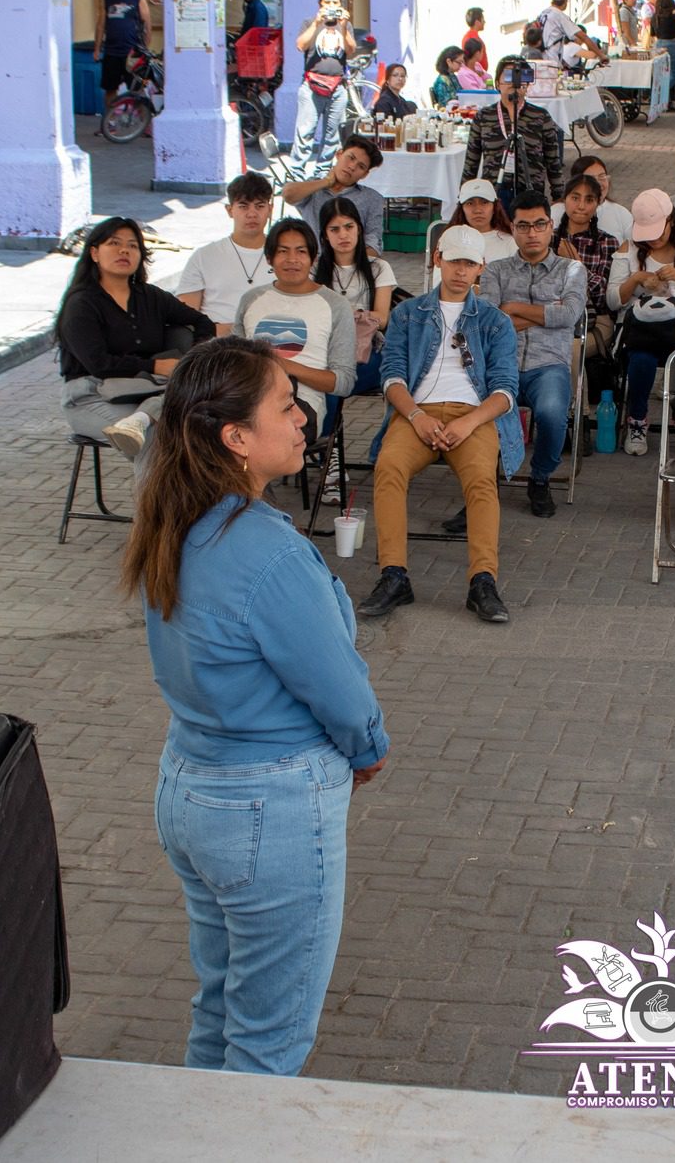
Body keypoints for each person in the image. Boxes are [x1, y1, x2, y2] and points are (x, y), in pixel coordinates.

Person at [124, 336, 387, 1077]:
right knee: (267, 1044)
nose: (303, 417)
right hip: (265, 809)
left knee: (220, 1009)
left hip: (191, 789)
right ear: (236, 437)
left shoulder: (175, 518)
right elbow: (336, 684)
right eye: (284, 406)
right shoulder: (264, 548)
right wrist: (368, 747)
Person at [357, 226, 522, 624]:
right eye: (454, 261)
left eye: (469, 263)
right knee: (389, 468)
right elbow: (392, 376)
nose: (461, 271)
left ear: (481, 267)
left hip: (473, 415)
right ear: (438, 260)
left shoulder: (495, 321)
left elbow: (505, 390)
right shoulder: (407, 313)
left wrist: (469, 422)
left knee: (482, 479)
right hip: (417, 412)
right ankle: (393, 574)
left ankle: (483, 579)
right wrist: (416, 415)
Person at [56, 216, 217, 464]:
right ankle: (158, 503)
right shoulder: (81, 303)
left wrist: (189, 362)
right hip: (90, 395)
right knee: (152, 439)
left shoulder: (150, 296)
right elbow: (98, 363)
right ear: (95, 253)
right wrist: (154, 366)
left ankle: (202, 501)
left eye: (133, 245)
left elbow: (202, 323)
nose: (124, 251)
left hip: (147, 391)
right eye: (114, 243)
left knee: (202, 425)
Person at [480, 189, 582, 518]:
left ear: (551, 226)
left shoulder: (572, 270)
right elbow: (490, 322)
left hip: (548, 364)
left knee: (552, 413)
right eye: (523, 226)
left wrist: (512, 308)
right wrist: (541, 312)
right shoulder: (495, 270)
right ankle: (480, 485)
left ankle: (539, 478)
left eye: (539, 224)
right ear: (512, 229)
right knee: (472, 410)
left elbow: (568, 315)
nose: (532, 233)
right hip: (501, 364)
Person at [233, 217, 355, 437]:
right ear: (269, 258)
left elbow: (344, 382)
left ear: (313, 258)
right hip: (249, 397)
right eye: (283, 251)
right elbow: (234, 358)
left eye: (300, 251)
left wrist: (284, 366)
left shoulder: (335, 305)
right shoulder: (251, 299)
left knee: (260, 434)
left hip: (301, 405)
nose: (292, 260)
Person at [609, 189, 675, 455]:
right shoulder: (628, 248)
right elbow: (612, 301)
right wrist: (636, 279)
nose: (652, 240)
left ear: (671, 221)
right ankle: (637, 420)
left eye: (658, 232)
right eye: (647, 234)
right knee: (642, 359)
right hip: (639, 332)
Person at [310, 195, 397, 407]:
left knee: (331, 383)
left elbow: (382, 319)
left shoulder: (378, 267)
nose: (343, 235)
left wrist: (340, 312)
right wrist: (358, 314)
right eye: (335, 229)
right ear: (324, 236)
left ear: (359, 229)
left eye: (349, 227)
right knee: (318, 380)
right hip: (323, 351)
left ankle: (321, 437)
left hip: (366, 352)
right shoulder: (313, 269)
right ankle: (321, 435)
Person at [461, 57, 566, 211]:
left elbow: (553, 162)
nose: (514, 82)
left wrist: (559, 198)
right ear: (497, 83)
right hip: (493, 196)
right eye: (508, 76)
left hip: (531, 194)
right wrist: (463, 197)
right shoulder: (484, 117)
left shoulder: (540, 116)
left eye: (520, 76)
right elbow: (471, 162)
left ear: (528, 83)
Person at [178, 173, 277, 330]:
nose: (252, 214)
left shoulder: (284, 257)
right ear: (230, 210)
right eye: (243, 206)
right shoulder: (204, 256)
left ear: (270, 209)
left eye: (260, 206)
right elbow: (184, 318)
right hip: (216, 347)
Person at [289, 0, 355, 178]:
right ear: (320, 5)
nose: (331, 6)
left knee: (332, 134)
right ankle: (296, 174)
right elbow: (301, 45)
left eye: (335, 3)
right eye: (328, 2)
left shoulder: (345, 26)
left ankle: (322, 172)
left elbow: (350, 49)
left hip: (337, 87)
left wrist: (343, 26)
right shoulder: (310, 22)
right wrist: (316, 24)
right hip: (311, 86)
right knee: (305, 132)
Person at [548, 171, 622, 339]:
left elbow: (604, 297)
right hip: (549, 314)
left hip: (594, 319)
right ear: (564, 200)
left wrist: (576, 265)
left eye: (589, 200)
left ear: (598, 203)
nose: (581, 206)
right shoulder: (548, 239)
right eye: (575, 198)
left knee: (569, 351)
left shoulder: (607, 242)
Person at [284, 133, 386, 253]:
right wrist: (326, 182)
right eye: (351, 158)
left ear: (364, 174)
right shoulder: (314, 188)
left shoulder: (371, 198)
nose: (352, 167)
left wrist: (355, 268)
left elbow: (373, 241)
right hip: (314, 261)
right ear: (339, 154)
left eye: (361, 166)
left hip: (351, 263)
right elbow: (288, 194)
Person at [93, 0, 150, 126]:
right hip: (112, 52)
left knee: (136, 89)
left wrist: (145, 48)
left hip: (132, 54)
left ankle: (140, 123)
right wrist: (97, 48)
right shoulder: (108, 0)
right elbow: (100, 25)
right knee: (110, 88)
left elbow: (147, 25)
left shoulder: (138, 0)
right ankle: (110, 123)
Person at [430, 179, 518, 276]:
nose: (478, 210)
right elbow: (440, 281)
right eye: (470, 203)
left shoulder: (510, 242)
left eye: (484, 202)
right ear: (462, 209)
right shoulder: (450, 238)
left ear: (495, 207)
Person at [549, 154, 633, 243]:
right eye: (591, 179)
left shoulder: (621, 214)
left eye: (602, 177)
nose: (598, 184)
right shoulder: (555, 212)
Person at [537, 0, 609, 68]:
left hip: (540, 59)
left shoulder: (543, 14)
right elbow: (583, 36)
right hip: (552, 62)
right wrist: (601, 55)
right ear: (565, 1)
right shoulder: (560, 16)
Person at [650, 0, 675, 79]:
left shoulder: (655, 16)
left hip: (659, 44)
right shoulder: (674, 14)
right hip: (672, 44)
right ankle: (663, 91)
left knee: (661, 74)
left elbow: (652, 33)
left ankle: (660, 91)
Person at [461, 6, 489, 74]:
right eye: (483, 20)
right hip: (477, 76)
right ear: (477, 22)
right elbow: (471, 61)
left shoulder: (470, 36)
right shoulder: (472, 38)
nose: (484, 22)